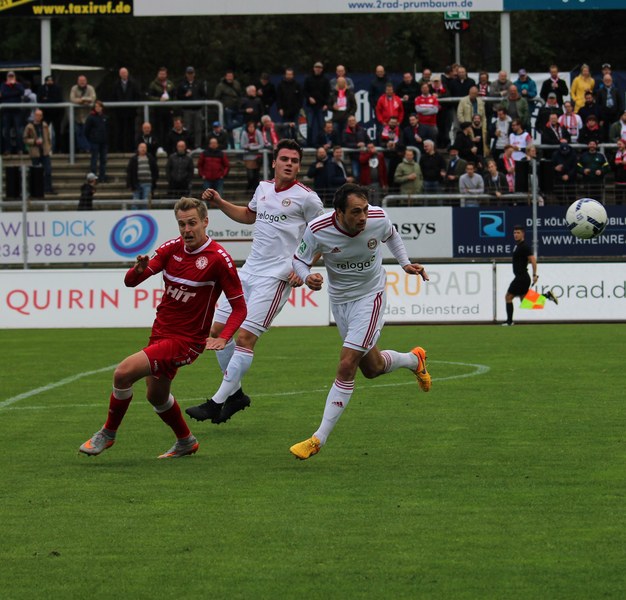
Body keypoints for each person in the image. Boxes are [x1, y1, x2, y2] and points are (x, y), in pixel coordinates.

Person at [79, 197, 247, 459]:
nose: (187, 230)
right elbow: (131, 282)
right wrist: (138, 270)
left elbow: (239, 307)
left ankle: (108, 433)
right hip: (160, 333)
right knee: (156, 396)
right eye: (182, 224)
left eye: (192, 223)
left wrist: (224, 337)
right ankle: (186, 441)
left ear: (205, 222)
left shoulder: (218, 259)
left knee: (123, 373)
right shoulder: (171, 249)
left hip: (186, 341)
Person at [185, 139, 325, 425]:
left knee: (244, 338)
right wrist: (219, 202)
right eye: (284, 159)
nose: (289, 164)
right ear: (274, 162)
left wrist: (304, 266)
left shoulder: (308, 198)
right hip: (249, 271)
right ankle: (236, 395)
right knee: (217, 331)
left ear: (299, 166)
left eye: (294, 161)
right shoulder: (262, 188)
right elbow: (249, 216)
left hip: (277, 276)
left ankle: (216, 402)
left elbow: (323, 234)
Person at [288, 183, 431, 460]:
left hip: (371, 297)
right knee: (372, 368)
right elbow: (299, 260)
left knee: (346, 363)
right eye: (356, 212)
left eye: (365, 209)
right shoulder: (318, 229)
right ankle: (415, 360)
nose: (363, 217)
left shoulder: (378, 218)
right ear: (339, 212)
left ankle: (317, 438)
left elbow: (392, 235)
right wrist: (306, 277)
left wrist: (405, 263)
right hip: (340, 302)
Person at [23, 108, 56, 195]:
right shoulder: (29, 126)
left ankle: (48, 188)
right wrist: (34, 141)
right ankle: (36, 190)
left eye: (40, 115)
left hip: (44, 151)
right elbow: (25, 139)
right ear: (34, 116)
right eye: (37, 115)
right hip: (35, 152)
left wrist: (49, 147)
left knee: (48, 171)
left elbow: (48, 137)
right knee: (36, 172)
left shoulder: (45, 125)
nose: (38, 117)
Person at [111, 67, 141, 152]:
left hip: (130, 112)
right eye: (122, 73)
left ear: (127, 74)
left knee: (130, 131)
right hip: (119, 112)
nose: (124, 75)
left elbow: (137, 96)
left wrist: (133, 107)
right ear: (119, 74)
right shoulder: (116, 84)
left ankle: (130, 148)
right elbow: (113, 97)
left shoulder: (134, 83)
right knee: (119, 130)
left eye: (125, 73)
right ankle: (120, 149)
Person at [177, 66, 206, 149]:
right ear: (186, 74)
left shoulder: (199, 83)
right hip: (187, 110)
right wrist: (185, 96)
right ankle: (187, 146)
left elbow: (204, 95)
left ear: (194, 74)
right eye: (189, 73)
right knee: (187, 129)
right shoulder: (182, 84)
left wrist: (199, 101)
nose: (190, 75)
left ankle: (198, 146)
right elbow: (178, 96)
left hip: (197, 110)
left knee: (198, 129)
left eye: (191, 73)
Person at [303, 61, 330, 148]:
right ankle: (309, 143)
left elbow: (328, 93)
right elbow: (305, 91)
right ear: (314, 68)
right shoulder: (308, 79)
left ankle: (321, 143)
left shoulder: (325, 80)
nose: (318, 69)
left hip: (321, 106)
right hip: (310, 107)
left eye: (320, 68)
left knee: (321, 126)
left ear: (322, 69)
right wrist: (309, 98)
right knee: (310, 125)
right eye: (316, 67)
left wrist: (326, 104)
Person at [147, 66, 175, 149]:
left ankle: (168, 147)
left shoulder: (170, 84)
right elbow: (149, 97)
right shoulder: (153, 84)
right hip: (157, 111)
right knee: (158, 130)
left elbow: (174, 96)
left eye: (164, 74)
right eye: (161, 74)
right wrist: (159, 99)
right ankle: (159, 147)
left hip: (168, 111)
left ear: (166, 74)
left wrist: (172, 107)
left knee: (168, 130)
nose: (162, 75)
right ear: (158, 74)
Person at [214, 70, 242, 145]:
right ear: (225, 77)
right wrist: (224, 107)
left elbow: (240, 95)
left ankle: (224, 128)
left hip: (236, 108)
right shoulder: (220, 85)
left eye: (231, 76)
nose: (230, 78)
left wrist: (240, 105)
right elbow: (217, 97)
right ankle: (232, 146)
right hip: (227, 109)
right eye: (228, 76)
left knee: (240, 122)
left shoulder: (236, 84)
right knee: (230, 129)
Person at [69, 74, 96, 153]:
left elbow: (93, 98)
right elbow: (72, 99)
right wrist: (81, 101)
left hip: (87, 116)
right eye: (80, 81)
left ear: (86, 81)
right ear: (77, 81)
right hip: (77, 116)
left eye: (83, 81)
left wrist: (84, 99)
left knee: (86, 133)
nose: (82, 82)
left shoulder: (90, 88)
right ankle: (85, 149)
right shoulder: (74, 88)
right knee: (78, 133)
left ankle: (87, 148)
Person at [127, 142, 159, 209]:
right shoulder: (133, 159)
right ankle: (135, 214)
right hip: (136, 184)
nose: (143, 149)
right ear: (138, 149)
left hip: (147, 184)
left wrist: (153, 181)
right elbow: (130, 172)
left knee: (146, 202)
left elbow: (155, 170)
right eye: (141, 147)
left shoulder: (151, 158)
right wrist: (130, 184)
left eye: (144, 147)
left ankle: (145, 214)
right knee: (135, 202)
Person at [37, 74, 64, 152]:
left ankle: (58, 149)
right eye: (48, 80)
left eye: (51, 80)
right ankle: (42, 148)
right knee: (43, 131)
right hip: (45, 113)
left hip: (56, 113)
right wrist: (50, 99)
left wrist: (47, 99)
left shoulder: (58, 88)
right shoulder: (41, 88)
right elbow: (39, 100)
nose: (49, 82)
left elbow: (59, 99)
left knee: (57, 132)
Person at [84, 100, 109, 183]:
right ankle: (93, 177)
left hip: (104, 142)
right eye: (96, 107)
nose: (98, 108)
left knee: (103, 160)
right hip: (94, 142)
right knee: (94, 159)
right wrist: (91, 138)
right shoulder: (91, 117)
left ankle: (102, 176)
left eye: (99, 106)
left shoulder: (105, 117)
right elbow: (86, 130)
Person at [240, 120, 264, 190]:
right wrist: (253, 145)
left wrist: (251, 147)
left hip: (257, 157)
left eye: (252, 127)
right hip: (248, 157)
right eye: (249, 127)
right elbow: (242, 145)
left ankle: (255, 190)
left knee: (256, 175)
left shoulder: (258, 132)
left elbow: (261, 144)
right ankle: (249, 187)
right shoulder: (244, 133)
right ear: (247, 128)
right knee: (250, 175)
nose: (251, 128)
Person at [613, 138, 626, 204]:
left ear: (625, 145)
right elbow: (613, 165)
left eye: (620, 144)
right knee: (618, 198)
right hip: (619, 179)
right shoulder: (616, 154)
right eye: (618, 144)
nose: (619, 146)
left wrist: (622, 162)